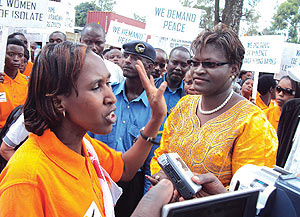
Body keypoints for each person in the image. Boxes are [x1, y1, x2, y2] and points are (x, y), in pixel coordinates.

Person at [0, 41, 167, 216]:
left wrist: (156, 118)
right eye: (96, 87)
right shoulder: (26, 180)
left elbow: (125, 168)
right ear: (58, 102)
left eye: (108, 83)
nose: (111, 97)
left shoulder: (84, 146)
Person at [150, 23, 278, 187]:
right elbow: (162, 155)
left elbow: (249, 194)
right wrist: (162, 176)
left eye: (210, 64)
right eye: (195, 63)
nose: (198, 70)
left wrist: (211, 195)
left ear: (234, 69)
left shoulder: (253, 122)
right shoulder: (184, 105)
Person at [89, 40, 157, 217]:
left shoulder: (155, 106)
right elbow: (88, 136)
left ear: (150, 67)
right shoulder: (107, 94)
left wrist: (147, 197)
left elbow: (152, 157)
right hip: (98, 172)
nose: (127, 61)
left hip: (132, 183)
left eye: (135, 59)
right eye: (126, 56)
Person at [0, 38, 28, 130]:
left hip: (20, 134)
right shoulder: (1, 80)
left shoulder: (27, 82)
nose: (16, 59)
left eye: (20, 55)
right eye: (11, 54)